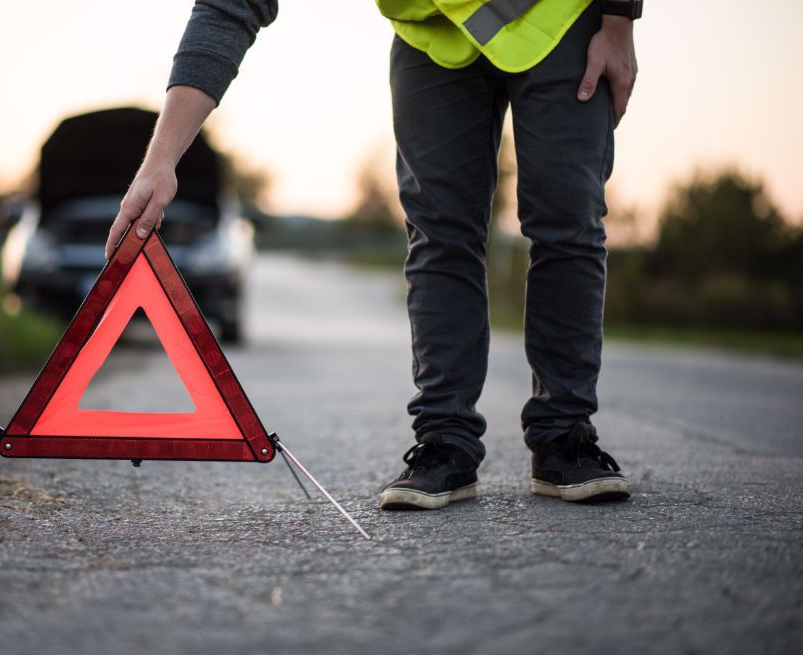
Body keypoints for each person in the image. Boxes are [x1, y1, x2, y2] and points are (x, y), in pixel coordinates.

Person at [104, 0, 640, 510]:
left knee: (567, 222)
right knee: (439, 233)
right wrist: (161, 160)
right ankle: (445, 440)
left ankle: (564, 438)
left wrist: (619, 22)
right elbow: (229, 8)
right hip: (431, 33)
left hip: (560, 18)